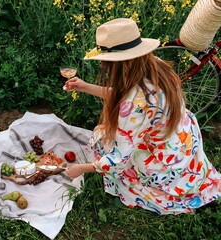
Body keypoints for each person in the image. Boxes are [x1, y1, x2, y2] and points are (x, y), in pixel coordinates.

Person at [64, 18, 221, 215]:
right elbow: (127, 97)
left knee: (102, 141)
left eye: (106, 61)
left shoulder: (135, 104)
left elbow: (118, 158)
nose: (104, 67)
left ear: (119, 64)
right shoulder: (157, 65)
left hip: (163, 161)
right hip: (183, 143)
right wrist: (86, 87)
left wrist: (82, 168)